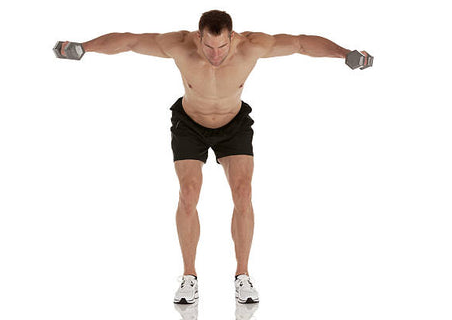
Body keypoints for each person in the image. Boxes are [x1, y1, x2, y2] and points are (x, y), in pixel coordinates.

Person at [57, 9, 369, 304]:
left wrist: (345, 54)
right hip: (189, 124)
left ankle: (242, 275)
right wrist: (83, 47)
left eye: (221, 47)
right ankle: (189, 277)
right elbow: (129, 40)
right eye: (208, 46)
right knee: (188, 194)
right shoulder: (179, 45)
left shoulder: (253, 46)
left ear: (232, 37)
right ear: (199, 37)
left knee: (243, 193)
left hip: (234, 125)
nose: (214, 55)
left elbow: (301, 43)